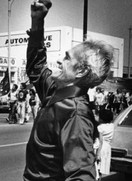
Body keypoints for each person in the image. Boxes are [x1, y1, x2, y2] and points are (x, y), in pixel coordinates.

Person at [24, 1, 114, 180]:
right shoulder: (56, 93)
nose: (58, 60)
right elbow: (36, 67)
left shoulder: (75, 113)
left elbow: (81, 175)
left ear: (80, 71)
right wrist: (37, 22)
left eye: (66, 58)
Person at [94, 107, 114, 178]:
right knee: (103, 167)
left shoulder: (100, 127)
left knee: (97, 168)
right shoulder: (112, 126)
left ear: (101, 118)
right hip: (107, 148)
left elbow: (101, 141)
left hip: (101, 148)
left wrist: (97, 154)